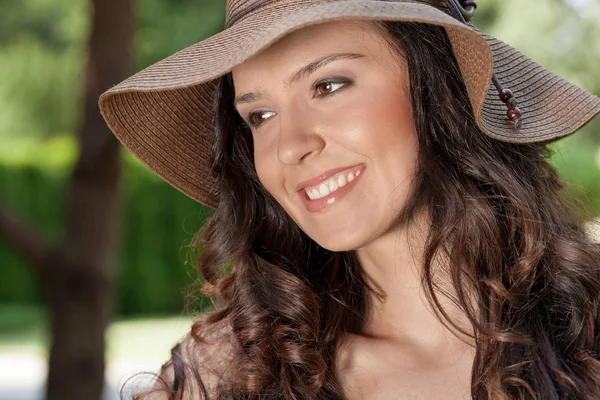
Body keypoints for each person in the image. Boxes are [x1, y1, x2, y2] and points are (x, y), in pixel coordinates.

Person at [99, 0, 600, 399]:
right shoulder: (231, 376)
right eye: (260, 117)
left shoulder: (586, 337)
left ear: (439, 87)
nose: (290, 146)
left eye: (328, 85)